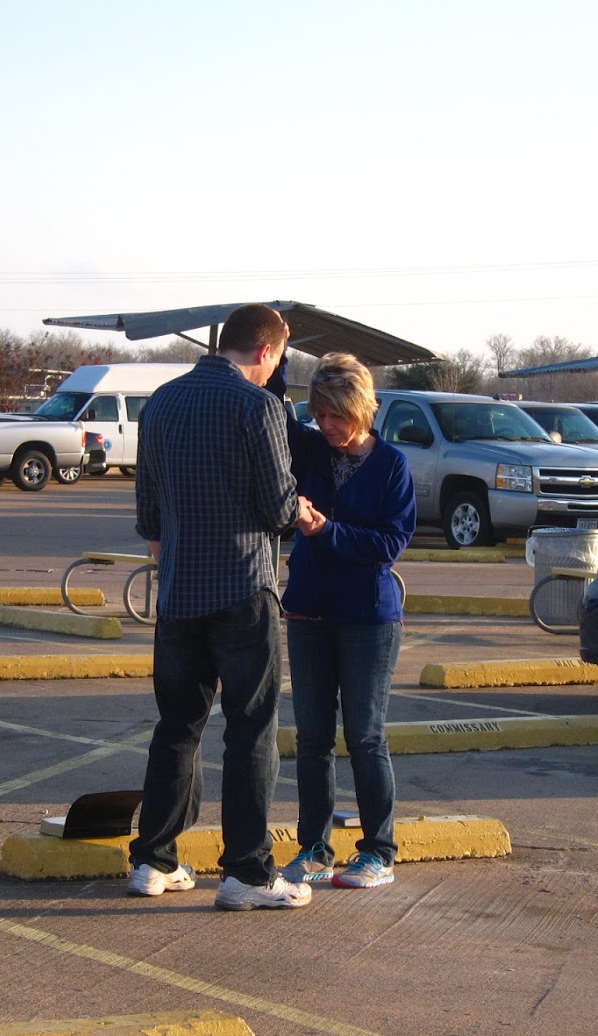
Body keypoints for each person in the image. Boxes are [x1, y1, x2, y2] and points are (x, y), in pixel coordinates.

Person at [127, 303, 317, 911]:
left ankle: (153, 860)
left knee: (177, 726)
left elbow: (149, 512)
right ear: (265, 351)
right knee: (252, 729)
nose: (276, 369)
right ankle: (247, 873)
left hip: (179, 592)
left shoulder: (161, 401)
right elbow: (275, 505)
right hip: (242, 589)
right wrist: (303, 513)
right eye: (279, 358)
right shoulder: (257, 406)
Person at [279, 353, 416, 889]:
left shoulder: (392, 466)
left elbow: (390, 543)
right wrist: (276, 354)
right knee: (312, 738)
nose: (327, 425)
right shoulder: (311, 447)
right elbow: (278, 416)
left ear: (361, 409)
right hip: (309, 610)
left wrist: (325, 530)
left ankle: (378, 850)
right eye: (320, 413)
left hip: (369, 620)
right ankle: (313, 847)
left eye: (337, 415)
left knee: (364, 735)